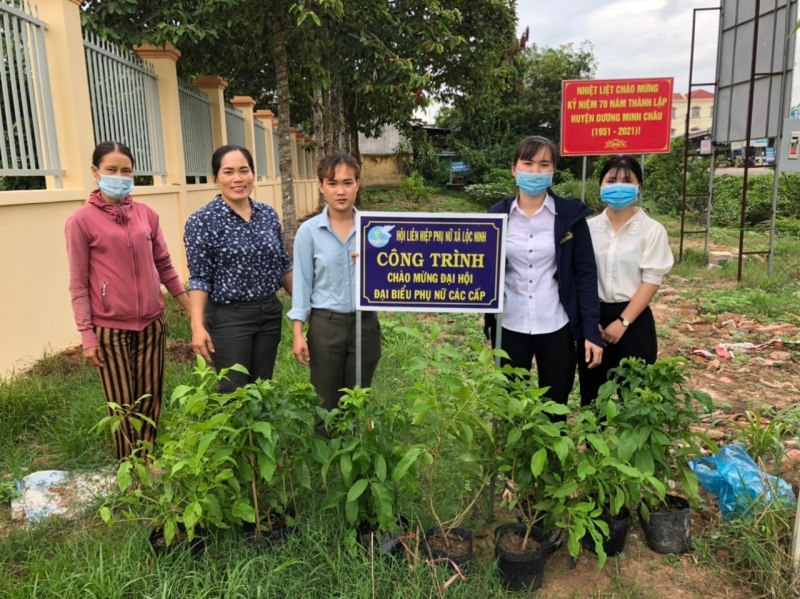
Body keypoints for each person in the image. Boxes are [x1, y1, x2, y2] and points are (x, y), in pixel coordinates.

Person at [65, 141, 190, 460]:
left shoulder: (147, 215)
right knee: (122, 402)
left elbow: (164, 264)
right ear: (95, 172)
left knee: (149, 398)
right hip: (110, 330)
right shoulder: (80, 222)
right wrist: (86, 335)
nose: (119, 176)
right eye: (111, 170)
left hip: (152, 324)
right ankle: (130, 469)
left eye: (126, 171)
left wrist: (189, 309)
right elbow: (78, 284)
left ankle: (146, 460)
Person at [485, 135, 603, 410]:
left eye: (543, 164)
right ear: (514, 169)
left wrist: (591, 332)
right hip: (509, 325)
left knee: (555, 406)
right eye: (527, 163)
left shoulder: (571, 217)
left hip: (556, 325)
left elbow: (585, 275)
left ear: (553, 171)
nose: (535, 172)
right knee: (512, 407)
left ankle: (550, 455)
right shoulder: (496, 216)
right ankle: (514, 455)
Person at [184, 145, 293, 392]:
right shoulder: (202, 221)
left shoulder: (267, 215)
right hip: (229, 318)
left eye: (244, 171)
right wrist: (197, 326)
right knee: (233, 391)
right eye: (228, 172)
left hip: (269, 313)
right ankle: (236, 432)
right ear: (215, 178)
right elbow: (199, 278)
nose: (238, 179)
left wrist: (306, 307)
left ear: (253, 174)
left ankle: (259, 431)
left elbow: (284, 265)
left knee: (261, 387)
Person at [288, 152, 381, 433]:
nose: (340, 191)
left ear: (358, 184)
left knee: (357, 400)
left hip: (365, 324)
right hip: (325, 325)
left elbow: (392, 277)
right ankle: (326, 465)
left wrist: (371, 264)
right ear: (321, 186)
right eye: (332, 183)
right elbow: (302, 284)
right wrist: (297, 332)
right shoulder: (308, 232)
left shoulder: (375, 230)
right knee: (326, 404)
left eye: (347, 182)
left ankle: (355, 460)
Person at [579, 155, 673, 404]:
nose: (618, 186)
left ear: (639, 187)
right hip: (592, 317)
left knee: (635, 396)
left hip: (634, 319)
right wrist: (589, 322)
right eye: (611, 180)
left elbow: (651, 279)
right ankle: (592, 443)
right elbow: (579, 274)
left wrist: (623, 322)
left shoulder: (651, 230)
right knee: (592, 395)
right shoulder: (587, 229)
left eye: (627, 180)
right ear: (600, 185)